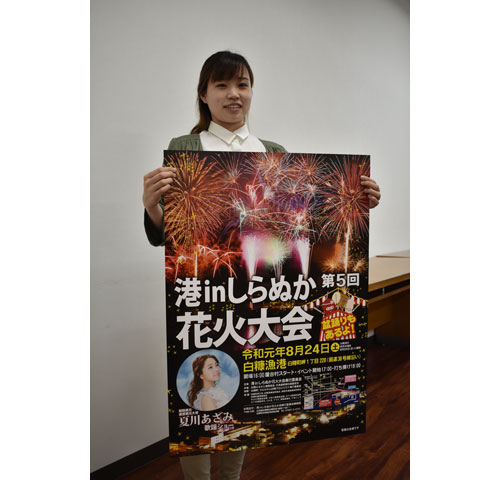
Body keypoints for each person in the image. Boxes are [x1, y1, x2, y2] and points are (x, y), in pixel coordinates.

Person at [142, 50, 381, 480]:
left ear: (252, 91)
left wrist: (357, 204)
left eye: (243, 84)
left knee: (248, 399)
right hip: (207, 295)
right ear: (204, 94)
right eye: (222, 85)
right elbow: (168, 236)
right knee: (195, 411)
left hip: (262, 294)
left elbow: (303, 224)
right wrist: (151, 206)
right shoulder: (185, 148)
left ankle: (232, 476)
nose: (234, 94)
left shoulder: (273, 152)